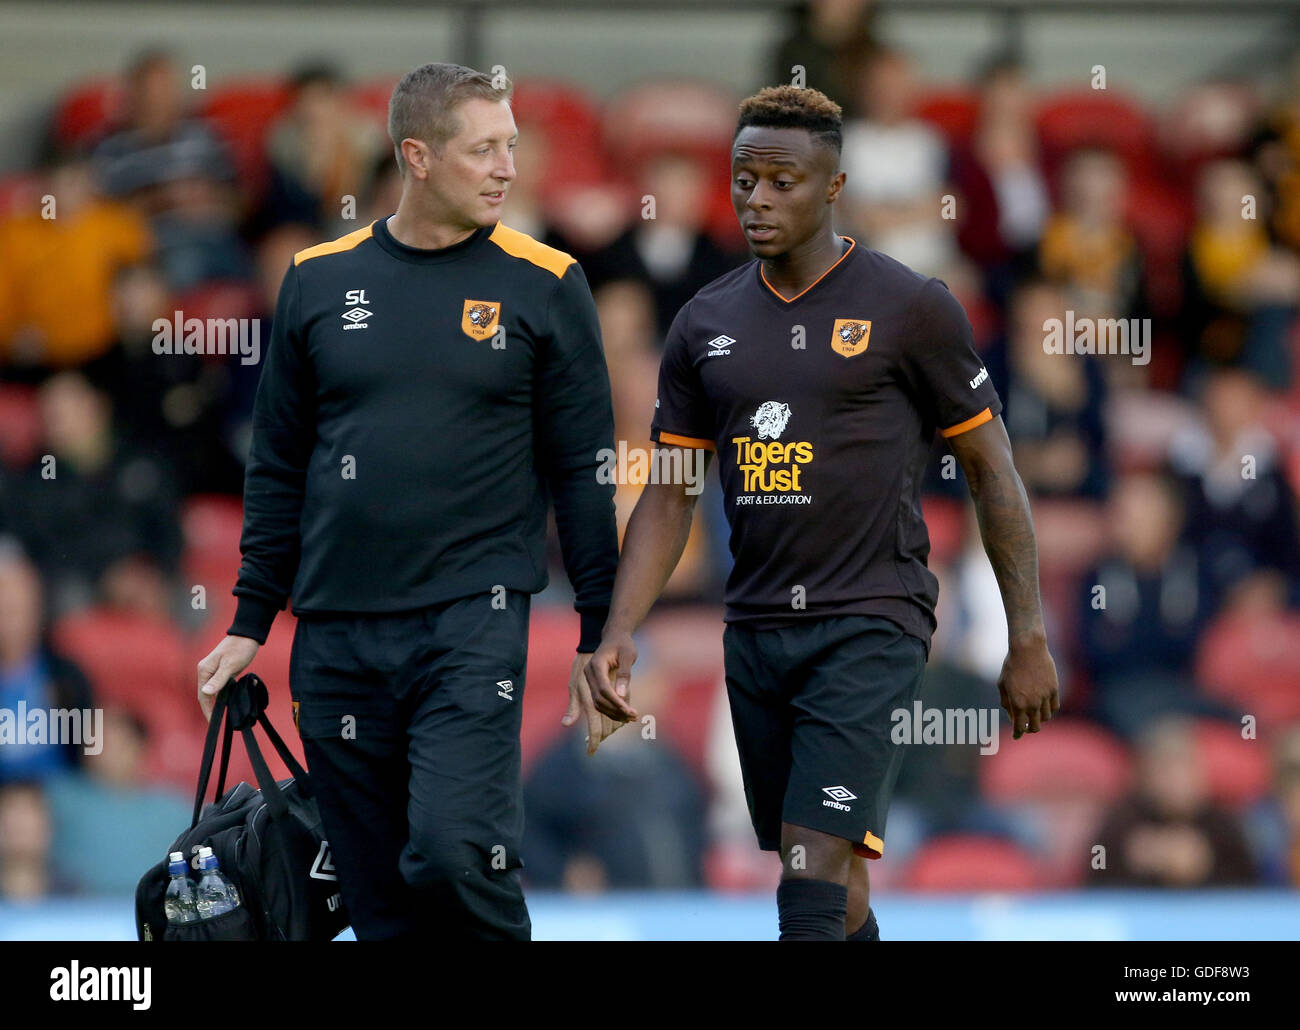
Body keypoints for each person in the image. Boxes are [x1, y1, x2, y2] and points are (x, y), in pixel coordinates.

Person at [581, 85, 1059, 941]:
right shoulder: (705, 322)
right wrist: (619, 626)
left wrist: (1027, 634)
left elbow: (994, 471)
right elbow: (672, 489)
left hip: (872, 622)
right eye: (744, 179)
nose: (757, 198)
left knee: (807, 870)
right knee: (835, 888)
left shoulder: (911, 307)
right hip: (758, 628)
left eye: (782, 182)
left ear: (833, 188)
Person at [196, 63, 620, 940]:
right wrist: (250, 617)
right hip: (337, 629)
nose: (509, 166)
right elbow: (278, 463)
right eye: (486, 149)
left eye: (513, 145)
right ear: (417, 157)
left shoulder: (546, 281)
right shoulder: (317, 277)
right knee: (377, 898)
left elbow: (583, 469)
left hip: (470, 622)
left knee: (453, 850)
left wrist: (600, 631)